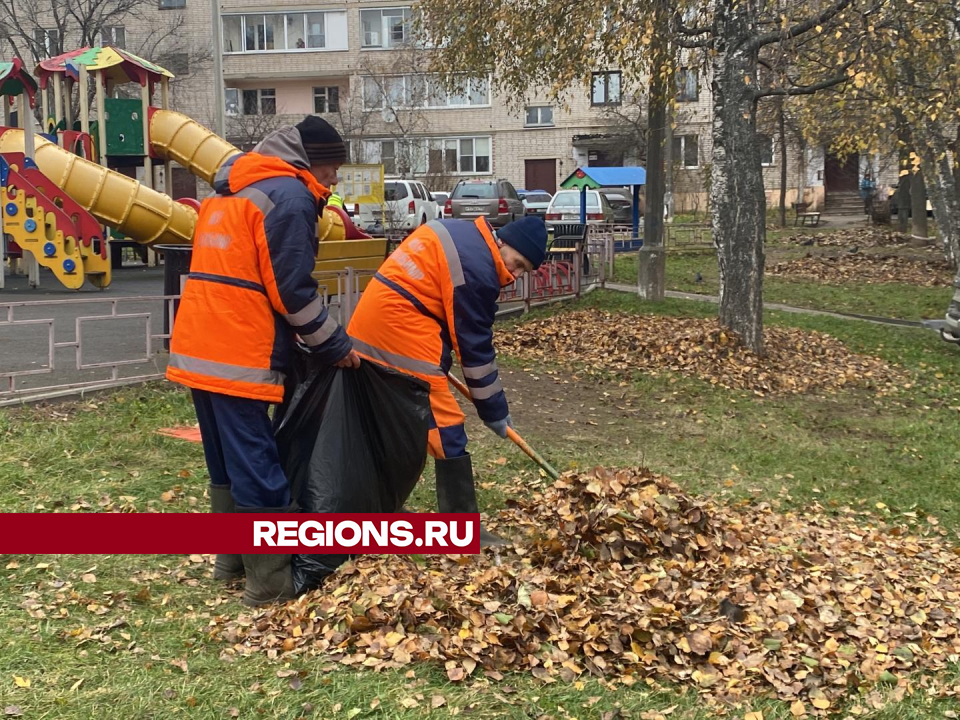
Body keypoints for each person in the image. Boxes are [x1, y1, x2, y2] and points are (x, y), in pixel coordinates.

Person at [166, 116, 360, 606]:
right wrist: (335, 346)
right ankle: (270, 583)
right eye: (333, 167)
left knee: (225, 460)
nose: (335, 179)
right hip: (240, 351)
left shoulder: (230, 190)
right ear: (311, 160)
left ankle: (230, 562)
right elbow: (292, 291)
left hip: (200, 344)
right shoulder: (289, 197)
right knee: (256, 462)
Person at [347, 216, 547, 546]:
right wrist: (493, 411)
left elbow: (440, 309)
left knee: (396, 425)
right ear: (505, 244)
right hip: (397, 329)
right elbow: (475, 350)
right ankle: (462, 530)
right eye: (519, 264)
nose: (516, 274)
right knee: (446, 425)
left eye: (524, 271)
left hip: (381, 322)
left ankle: (382, 510)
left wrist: (439, 362)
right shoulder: (478, 268)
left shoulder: (465, 234)